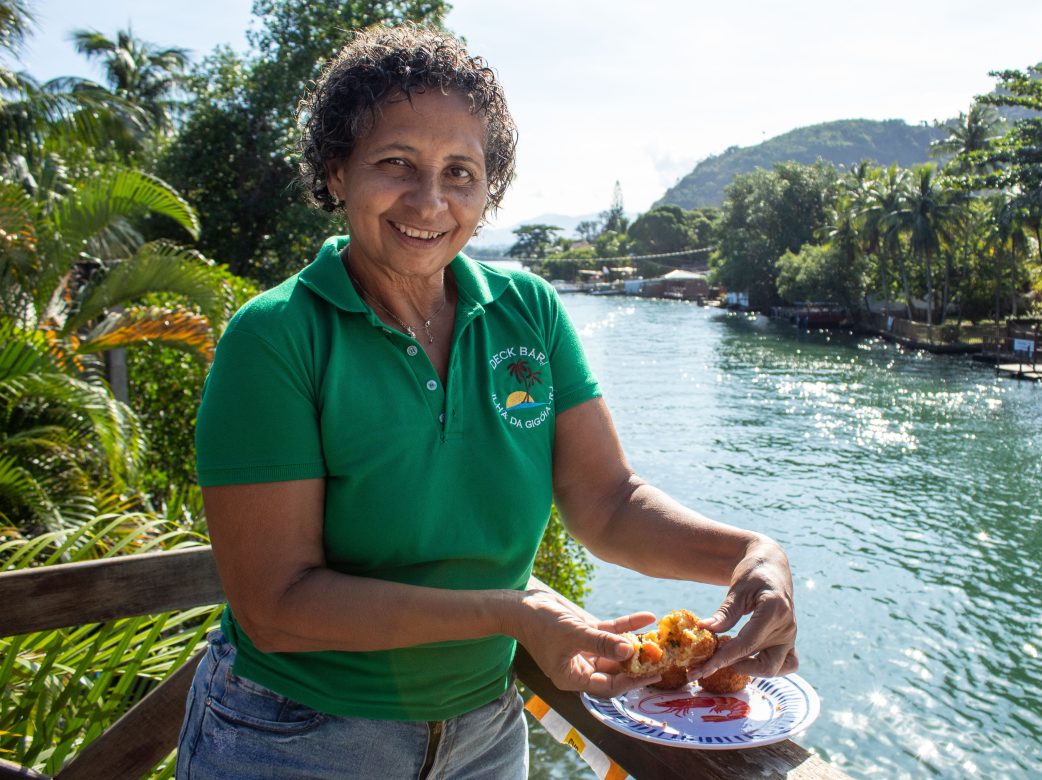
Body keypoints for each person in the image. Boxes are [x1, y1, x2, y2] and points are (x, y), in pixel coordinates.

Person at [176, 23, 798, 779]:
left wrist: (750, 555)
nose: (430, 201)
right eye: (396, 163)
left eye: (461, 173)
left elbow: (606, 501)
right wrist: (515, 615)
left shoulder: (527, 309)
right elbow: (276, 607)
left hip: (481, 734)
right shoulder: (277, 337)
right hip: (297, 737)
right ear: (337, 170)